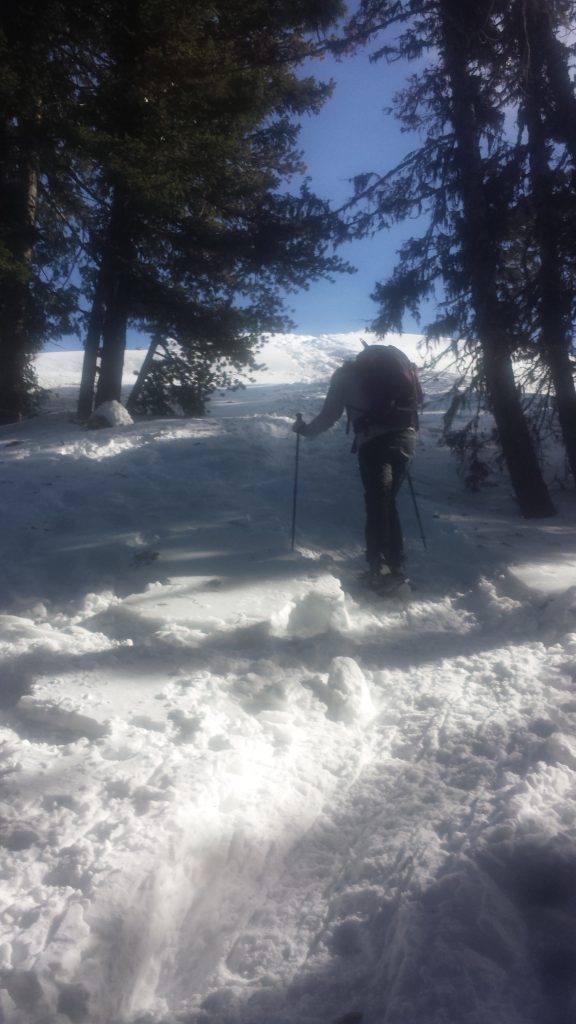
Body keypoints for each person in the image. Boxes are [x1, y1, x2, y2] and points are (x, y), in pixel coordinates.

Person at [292, 344, 422, 592]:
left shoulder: (346, 375)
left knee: (377, 503)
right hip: (407, 439)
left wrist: (304, 430)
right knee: (388, 501)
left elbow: (329, 416)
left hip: (373, 442)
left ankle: (379, 569)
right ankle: (395, 566)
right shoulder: (400, 372)